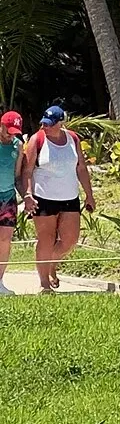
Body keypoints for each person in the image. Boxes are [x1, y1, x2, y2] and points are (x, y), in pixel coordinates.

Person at [19, 103, 94, 293]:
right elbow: (26, 171)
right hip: (43, 197)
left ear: (61, 123)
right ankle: (44, 283)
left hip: (70, 196)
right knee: (46, 239)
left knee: (70, 240)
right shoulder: (37, 140)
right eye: (44, 123)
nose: (45, 126)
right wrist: (28, 195)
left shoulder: (73, 139)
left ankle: (51, 264)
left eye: (50, 124)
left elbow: (81, 168)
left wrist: (89, 195)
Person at [0, 112, 23, 295]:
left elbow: (17, 175)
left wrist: (27, 196)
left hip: (8, 197)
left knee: (5, 240)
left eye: (14, 132)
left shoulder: (18, 145)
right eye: (8, 130)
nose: (10, 135)